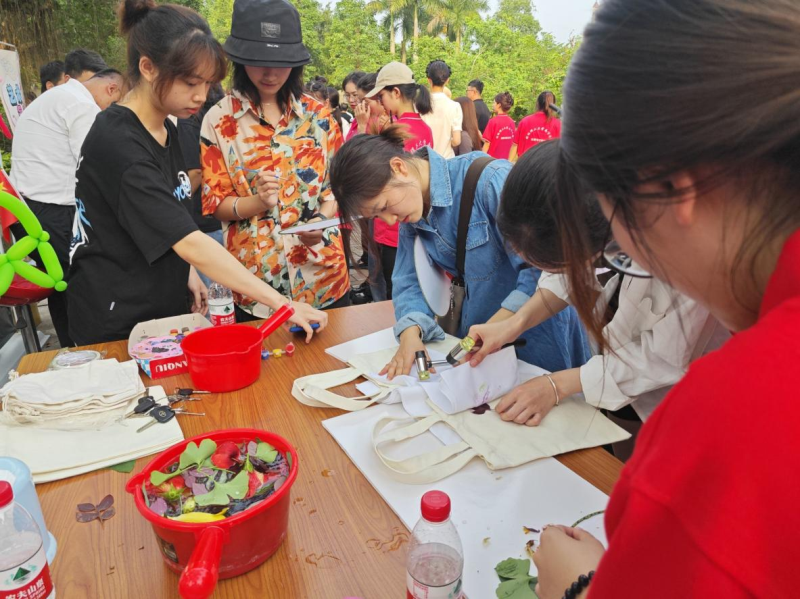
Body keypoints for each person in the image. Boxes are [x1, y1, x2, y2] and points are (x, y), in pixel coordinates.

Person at [530, 1, 800, 598]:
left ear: (671, 188)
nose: (631, 257)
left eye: (616, 225)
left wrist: (579, 588)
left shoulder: (732, 422)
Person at [67, 0, 326, 345]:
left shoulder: (165, 128)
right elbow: (190, 241)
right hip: (116, 321)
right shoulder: (119, 143)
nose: (201, 96)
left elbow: (163, 220)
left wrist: (186, 270)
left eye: (207, 84)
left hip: (158, 309)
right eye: (191, 83)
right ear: (148, 67)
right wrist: (282, 303)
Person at [468, 140, 729, 458]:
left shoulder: (688, 257)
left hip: (682, 401)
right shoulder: (590, 209)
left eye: (561, 263)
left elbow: (661, 358)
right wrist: (513, 324)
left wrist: (558, 385)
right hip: (616, 385)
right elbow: (566, 280)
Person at [330, 126, 590, 377]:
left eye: (384, 206)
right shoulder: (411, 211)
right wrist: (411, 335)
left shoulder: (489, 181)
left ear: (398, 167)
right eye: (377, 216)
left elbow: (541, 269)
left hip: (538, 336)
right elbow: (408, 281)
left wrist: (498, 327)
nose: (388, 221)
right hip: (481, 342)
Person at [201, 0, 350, 321]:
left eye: (281, 63)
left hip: (323, 279)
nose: (270, 74)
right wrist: (256, 202)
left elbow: (338, 188)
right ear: (241, 60)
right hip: (256, 288)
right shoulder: (218, 121)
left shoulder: (319, 116)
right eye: (258, 62)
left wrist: (319, 221)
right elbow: (215, 203)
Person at [10, 68, 124, 347]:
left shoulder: (56, 96)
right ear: (111, 89)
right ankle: (87, 351)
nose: (110, 111)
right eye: (115, 104)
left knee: (61, 285)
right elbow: (93, 164)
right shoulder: (81, 105)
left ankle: (70, 351)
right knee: (83, 283)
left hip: (29, 209)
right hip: (53, 210)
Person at [366, 61, 434, 300]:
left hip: (390, 224)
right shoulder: (425, 128)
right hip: (414, 220)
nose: (381, 102)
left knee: (391, 289)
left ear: (395, 92)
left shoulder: (393, 131)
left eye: (382, 96)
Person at [176, 83, 225, 288]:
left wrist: (177, 206)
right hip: (227, 215)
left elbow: (195, 172)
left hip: (203, 221)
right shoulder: (224, 114)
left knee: (212, 295)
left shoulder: (189, 119)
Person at [421, 60, 462, 159]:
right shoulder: (454, 106)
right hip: (446, 160)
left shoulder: (418, 105)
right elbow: (457, 141)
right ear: (447, 80)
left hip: (425, 159)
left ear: (429, 80)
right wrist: (447, 141)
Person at [509, 90, 561, 162]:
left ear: (537, 104)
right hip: (547, 166)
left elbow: (515, 145)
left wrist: (508, 163)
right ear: (554, 105)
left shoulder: (525, 121)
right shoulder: (558, 124)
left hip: (525, 164)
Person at [347, 72, 389, 141]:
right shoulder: (360, 119)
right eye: (360, 101)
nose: (361, 105)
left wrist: (362, 127)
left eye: (365, 102)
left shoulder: (389, 122)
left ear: (379, 98)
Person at [482, 91, 516, 160]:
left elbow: (487, 143)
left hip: (492, 160)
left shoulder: (493, 121)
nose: (493, 105)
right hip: (505, 161)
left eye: (494, 102)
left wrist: (481, 159)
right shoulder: (511, 122)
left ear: (499, 105)